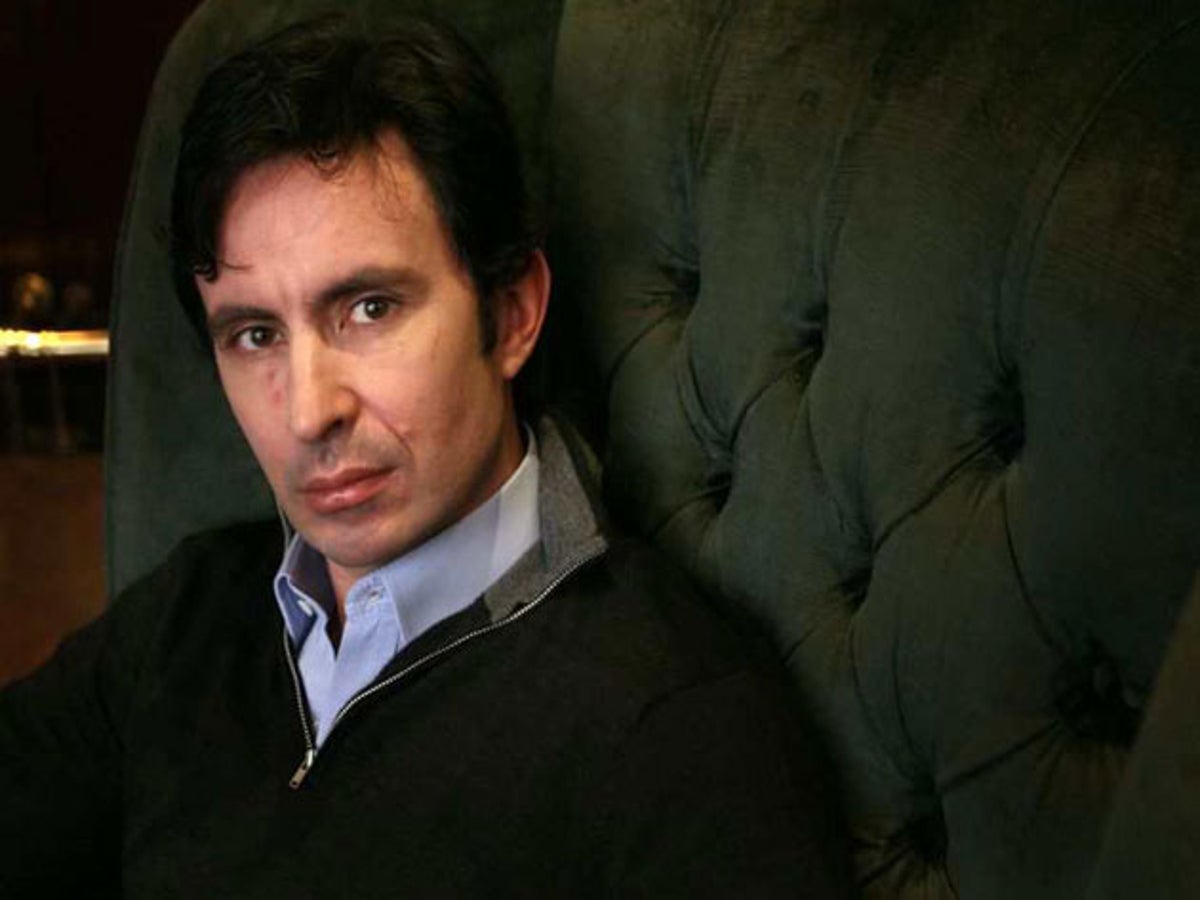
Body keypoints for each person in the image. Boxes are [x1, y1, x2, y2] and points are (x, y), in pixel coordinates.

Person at [0, 15, 851, 898]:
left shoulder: (675, 722)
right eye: (255, 334)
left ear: (511, 314)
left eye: (369, 309)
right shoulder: (188, 620)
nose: (309, 412)